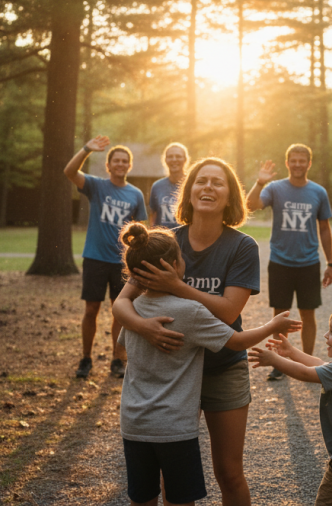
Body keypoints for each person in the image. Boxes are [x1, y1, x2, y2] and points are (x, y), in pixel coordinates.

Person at [117, 222, 301, 506]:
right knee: (181, 499)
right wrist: (271, 326)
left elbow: (121, 348)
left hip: (134, 423)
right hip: (174, 427)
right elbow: (237, 341)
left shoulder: (135, 309)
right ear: (176, 264)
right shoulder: (189, 312)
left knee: (142, 498)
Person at [113, 157, 260, 506]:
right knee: (170, 475)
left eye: (217, 183)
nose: (208, 187)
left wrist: (177, 286)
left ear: (230, 197)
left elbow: (228, 312)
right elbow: (121, 303)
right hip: (171, 378)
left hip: (222, 367)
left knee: (229, 472)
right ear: (189, 191)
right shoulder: (166, 242)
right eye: (201, 181)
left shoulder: (242, 246)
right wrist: (143, 327)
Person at [249, 307, 332, 506]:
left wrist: (275, 360)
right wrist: (292, 352)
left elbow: (306, 373)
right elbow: (320, 365)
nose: (325, 335)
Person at [246, 144, 332, 380]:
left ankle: (307, 363)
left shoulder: (318, 192)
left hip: (308, 263)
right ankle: (280, 362)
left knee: (308, 314)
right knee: (281, 316)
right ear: (287, 163)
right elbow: (251, 205)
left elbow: (325, 229)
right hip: (280, 262)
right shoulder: (275, 188)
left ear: (309, 163)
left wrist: (331, 263)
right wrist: (260, 182)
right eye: (293, 160)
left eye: (301, 160)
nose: (297, 164)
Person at [64, 136, 148, 380]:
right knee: (91, 309)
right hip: (95, 258)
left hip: (122, 263)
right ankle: (86, 358)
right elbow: (69, 171)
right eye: (116, 161)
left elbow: (140, 231)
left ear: (129, 166)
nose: (120, 164)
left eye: (124, 161)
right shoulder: (96, 186)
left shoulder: (135, 194)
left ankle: (116, 359)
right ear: (108, 165)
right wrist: (86, 149)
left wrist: (138, 261)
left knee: (119, 312)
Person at [148, 142, 189, 229]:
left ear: (185, 159)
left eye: (178, 156)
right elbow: (153, 216)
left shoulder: (192, 185)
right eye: (170, 156)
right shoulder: (157, 186)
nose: (174, 159)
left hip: (185, 238)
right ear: (165, 160)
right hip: (163, 239)